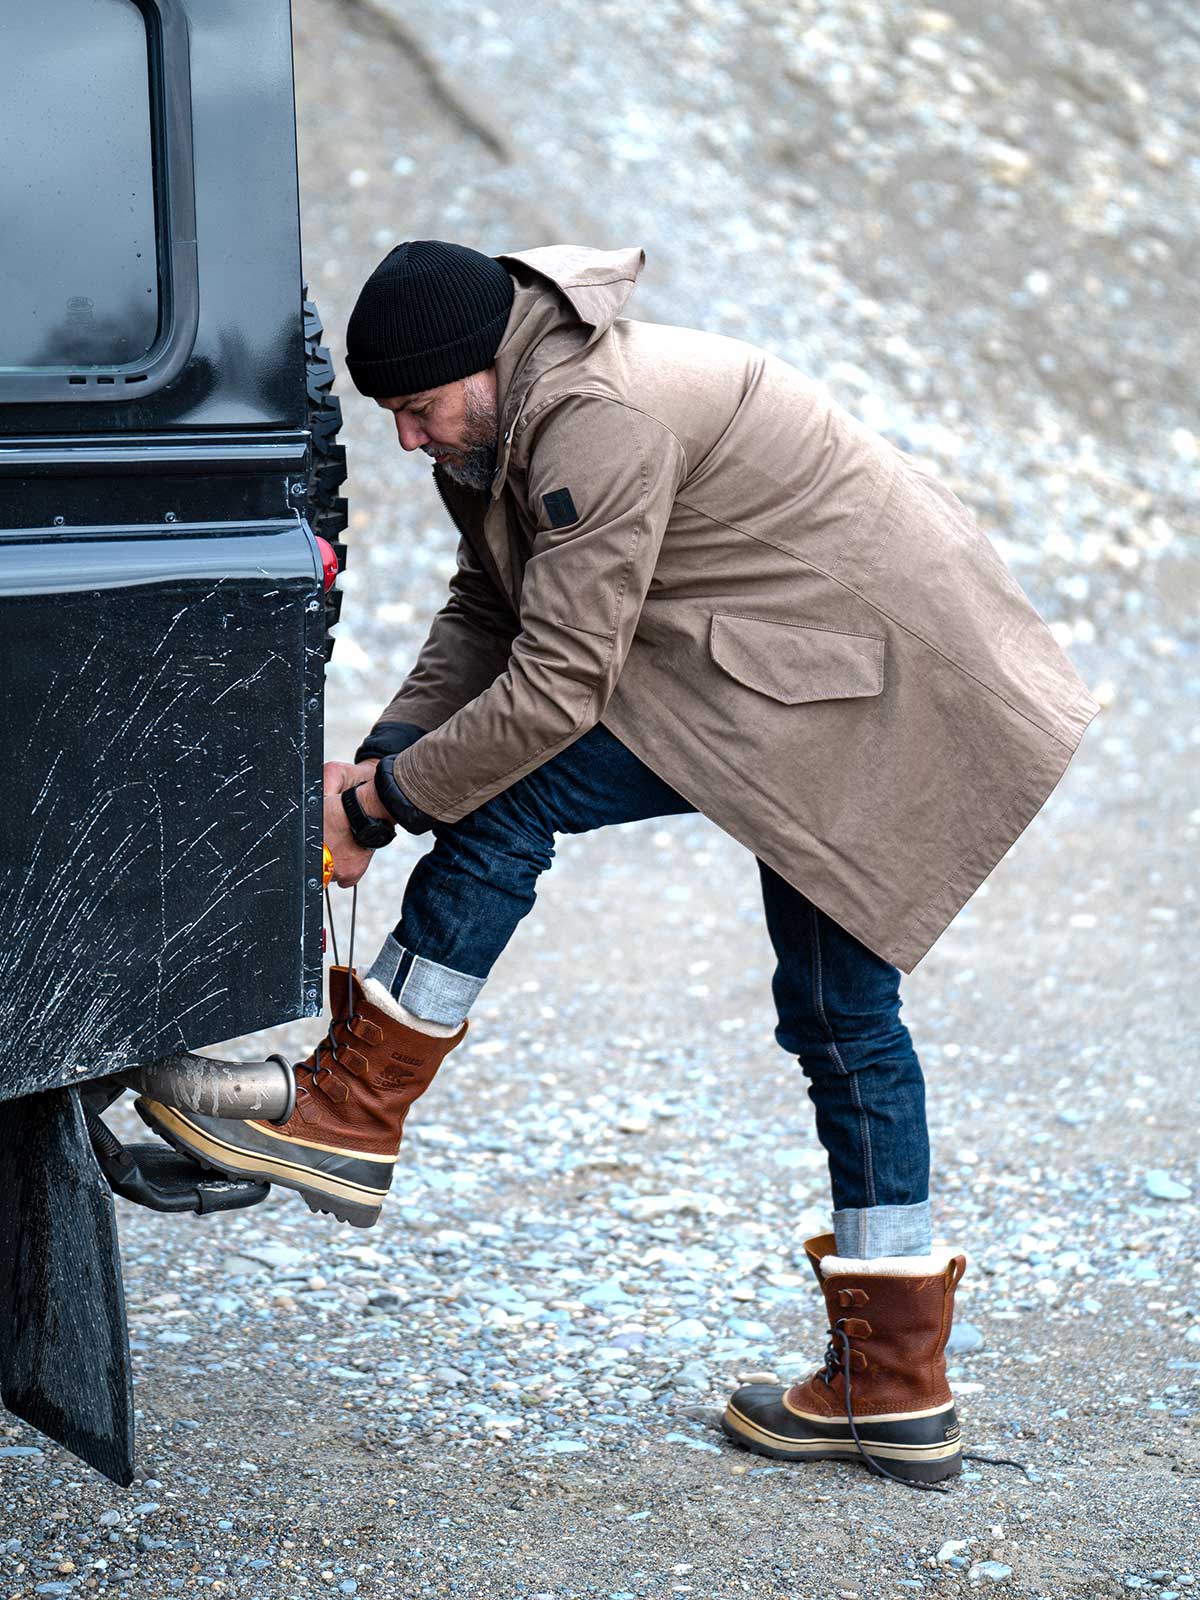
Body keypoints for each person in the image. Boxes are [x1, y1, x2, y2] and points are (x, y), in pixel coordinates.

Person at [141, 241, 1097, 1482]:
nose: (407, 444)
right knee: (841, 1015)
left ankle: (351, 1107)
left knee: (511, 802)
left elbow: (557, 686)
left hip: (873, 685)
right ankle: (895, 1385)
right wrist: (381, 753)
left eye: (418, 413)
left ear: (479, 372)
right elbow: (490, 606)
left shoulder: (594, 420)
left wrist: (380, 805)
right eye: (392, 419)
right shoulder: (496, 424)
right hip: (791, 666)